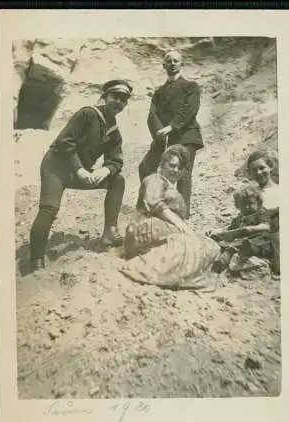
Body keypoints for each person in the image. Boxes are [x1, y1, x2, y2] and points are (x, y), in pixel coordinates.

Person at [29, 79, 133, 272]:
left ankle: (109, 232)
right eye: (115, 97)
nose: (119, 102)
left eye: (124, 99)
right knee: (49, 210)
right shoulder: (87, 114)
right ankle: (35, 260)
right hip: (56, 167)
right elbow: (64, 142)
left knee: (117, 180)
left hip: (80, 173)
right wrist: (79, 169)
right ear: (104, 97)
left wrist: (106, 169)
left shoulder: (114, 132)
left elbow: (116, 161)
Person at [120, 145, 220, 290]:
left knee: (209, 246)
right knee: (188, 243)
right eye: (172, 165)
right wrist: (183, 227)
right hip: (145, 228)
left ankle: (178, 274)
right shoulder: (154, 179)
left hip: (162, 229)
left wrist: (185, 229)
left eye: (179, 168)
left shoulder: (172, 187)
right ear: (162, 164)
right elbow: (155, 205)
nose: (175, 170)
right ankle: (145, 268)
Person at [138, 50, 204, 219]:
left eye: (176, 60)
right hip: (164, 137)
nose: (173, 63)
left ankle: (183, 214)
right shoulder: (159, 92)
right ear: (164, 65)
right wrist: (159, 132)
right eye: (169, 61)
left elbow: (190, 109)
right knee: (146, 167)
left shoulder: (191, 87)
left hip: (186, 135)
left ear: (181, 64)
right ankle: (151, 206)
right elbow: (152, 115)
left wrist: (172, 127)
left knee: (182, 173)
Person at [208, 183, 279, 273]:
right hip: (241, 242)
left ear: (258, 202)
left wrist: (250, 229)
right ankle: (221, 262)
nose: (247, 207)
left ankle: (227, 258)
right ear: (238, 206)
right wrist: (218, 232)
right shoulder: (240, 217)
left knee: (243, 245)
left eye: (250, 203)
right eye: (243, 204)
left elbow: (266, 226)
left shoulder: (260, 213)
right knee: (229, 245)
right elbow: (230, 229)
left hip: (260, 240)